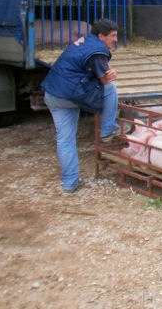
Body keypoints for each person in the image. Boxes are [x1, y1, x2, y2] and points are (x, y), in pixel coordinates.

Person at [42, 18, 123, 193]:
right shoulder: (98, 50)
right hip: (69, 94)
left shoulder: (86, 41)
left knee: (65, 140)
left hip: (52, 93)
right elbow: (104, 78)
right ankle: (108, 129)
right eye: (113, 36)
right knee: (110, 89)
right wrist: (112, 73)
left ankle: (70, 182)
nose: (115, 40)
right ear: (101, 36)